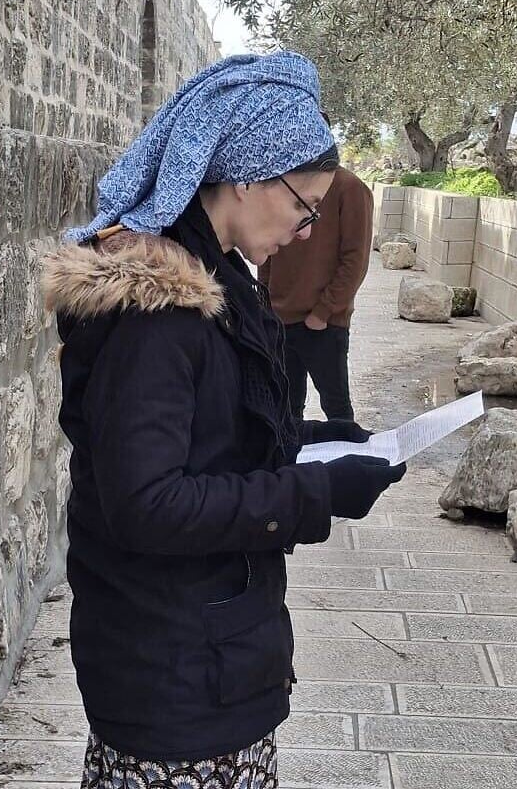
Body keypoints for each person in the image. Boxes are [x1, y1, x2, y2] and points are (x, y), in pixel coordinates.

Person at [42, 51, 408, 789]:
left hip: (208, 658)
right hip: (173, 676)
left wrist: (314, 443)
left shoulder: (216, 281)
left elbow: (212, 438)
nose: (306, 231)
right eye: (304, 206)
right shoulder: (156, 314)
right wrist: (313, 494)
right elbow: (148, 503)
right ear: (247, 175)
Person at [257, 130, 373, 422]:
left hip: (323, 324)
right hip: (281, 319)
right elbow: (269, 248)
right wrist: (265, 301)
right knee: (286, 407)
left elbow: (355, 259)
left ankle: (346, 452)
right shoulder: (286, 182)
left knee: (337, 408)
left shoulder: (350, 188)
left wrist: (324, 312)